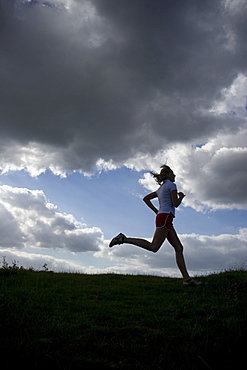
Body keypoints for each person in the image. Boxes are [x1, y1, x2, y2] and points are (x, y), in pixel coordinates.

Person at [109, 165, 201, 287]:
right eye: (173, 173)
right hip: (166, 217)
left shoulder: (161, 189)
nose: (175, 176)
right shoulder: (171, 186)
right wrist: (181, 197)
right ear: (168, 174)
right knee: (154, 247)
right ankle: (123, 239)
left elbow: (146, 198)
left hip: (163, 217)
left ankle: (187, 279)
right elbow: (175, 204)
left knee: (179, 248)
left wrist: (156, 211)